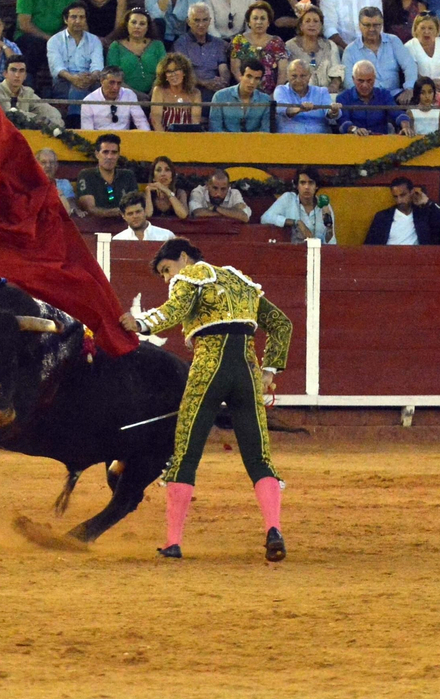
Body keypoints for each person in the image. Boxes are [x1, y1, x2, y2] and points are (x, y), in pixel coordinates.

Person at [121, 237, 293, 561]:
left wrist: (140, 323)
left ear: (184, 258)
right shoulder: (243, 282)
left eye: (167, 270)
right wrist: (269, 370)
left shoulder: (190, 277)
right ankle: (274, 529)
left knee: (186, 453)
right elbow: (282, 324)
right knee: (259, 457)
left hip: (209, 366)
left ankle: (173, 542)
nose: (167, 279)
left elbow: (175, 311)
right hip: (246, 370)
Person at [364, 174, 440, 244]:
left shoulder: (424, 214)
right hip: (389, 262)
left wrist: (428, 202)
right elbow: (370, 246)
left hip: (417, 261)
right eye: (396, 197)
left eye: (403, 195)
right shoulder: (383, 217)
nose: (399, 200)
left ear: (411, 192)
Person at [261, 166, 335, 243]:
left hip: (317, 252)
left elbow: (330, 242)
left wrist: (329, 226)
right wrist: (296, 222)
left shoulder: (324, 205)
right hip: (293, 252)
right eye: (303, 183)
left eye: (311, 183)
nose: (307, 187)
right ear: (297, 186)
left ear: (316, 186)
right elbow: (265, 218)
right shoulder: (288, 199)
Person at [210, 58, 275, 130]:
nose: (252, 82)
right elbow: (215, 129)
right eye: (249, 76)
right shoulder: (220, 97)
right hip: (226, 140)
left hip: (255, 140)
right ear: (240, 76)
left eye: (256, 78)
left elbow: (265, 131)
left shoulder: (265, 100)